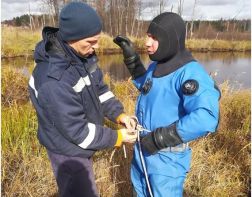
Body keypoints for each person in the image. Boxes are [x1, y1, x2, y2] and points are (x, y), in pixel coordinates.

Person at [28, 2, 137, 197]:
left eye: (97, 40)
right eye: (91, 42)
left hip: (79, 141)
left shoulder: (83, 55)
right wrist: (118, 137)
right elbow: (77, 131)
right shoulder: (54, 79)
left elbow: (100, 90)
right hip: (66, 149)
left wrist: (119, 115)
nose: (96, 47)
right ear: (72, 38)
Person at [114, 12, 220, 197]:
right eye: (148, 36)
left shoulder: (190, 73)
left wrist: (160, 138)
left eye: (154, 37)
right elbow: (148, 88)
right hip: (142, 152)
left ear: (170, 39)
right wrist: (132, 59)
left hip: (166, 161)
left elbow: (207, 117)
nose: (147, 42)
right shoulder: (158, 65)